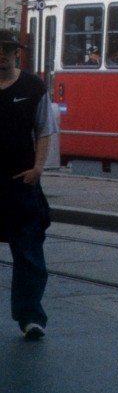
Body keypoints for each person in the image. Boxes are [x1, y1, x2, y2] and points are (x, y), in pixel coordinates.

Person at [0, 29, 58, 341]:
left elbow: (45, 129)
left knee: (29, 253)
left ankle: (30, 317)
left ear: (16, 53)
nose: (2, 55)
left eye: (8, 49)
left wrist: (38, 168)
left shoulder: (33, 86)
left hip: (21, 182)